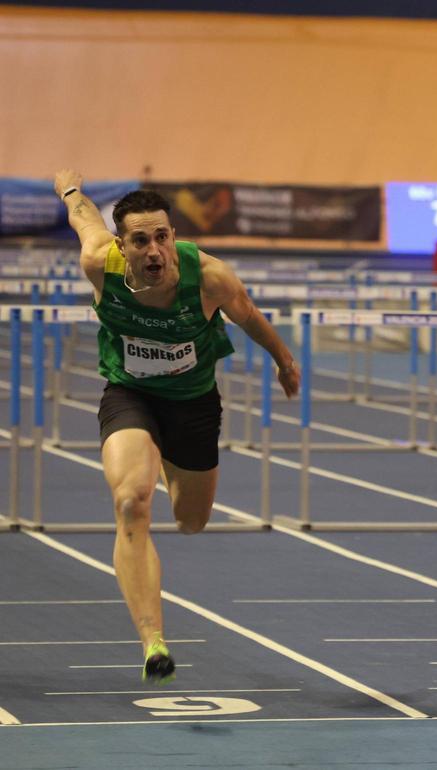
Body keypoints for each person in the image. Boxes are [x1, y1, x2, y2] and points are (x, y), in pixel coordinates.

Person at [54, 170, 301, 683]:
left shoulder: (208, 277)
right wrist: (70, 189)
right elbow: (84, 220)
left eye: (162, 237)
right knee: (130, 501)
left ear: (173, 238)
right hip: (130, 394)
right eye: (140, 240)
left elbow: (249, 313)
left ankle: (166, 461)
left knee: (191, 520)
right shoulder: (101, 262)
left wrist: (283, 360)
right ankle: (153, 641)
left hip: (192, 403)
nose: (154, 250)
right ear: (124, 245)